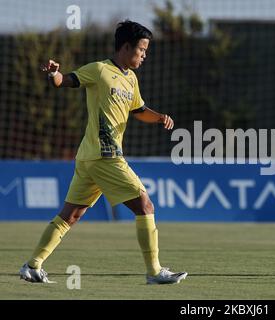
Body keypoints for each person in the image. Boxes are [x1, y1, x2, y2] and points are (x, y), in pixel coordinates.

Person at [19, 20, 187, 285]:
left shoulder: (131, 78)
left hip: (89, 158)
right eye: (141, 49)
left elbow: (138, 110)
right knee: (145, 206)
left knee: (71, 215)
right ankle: (154, 272)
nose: (144, 55)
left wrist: (160, 118)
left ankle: (32, 266)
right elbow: (67, 81)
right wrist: (54, 74)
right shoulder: (99, 70)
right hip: (104, 154)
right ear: (126, 46)